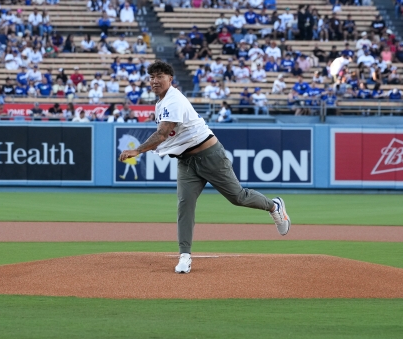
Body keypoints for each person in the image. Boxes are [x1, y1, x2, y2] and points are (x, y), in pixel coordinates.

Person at [118, 60, 290, 274]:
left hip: (210, 156)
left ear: (170, 79)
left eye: (160, 76)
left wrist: (138, 150)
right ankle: (185, 256)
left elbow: (162, 134)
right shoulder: (161, 102)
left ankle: (274, 206)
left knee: (238, 197)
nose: (155, 80)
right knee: (185, 205)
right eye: (152, 76)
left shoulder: (173, 100)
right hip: (186, 161)